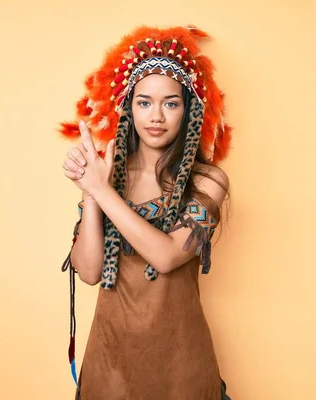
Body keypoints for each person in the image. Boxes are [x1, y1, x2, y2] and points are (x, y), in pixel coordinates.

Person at [59, 25, 233, 400]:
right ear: (128, 108)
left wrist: (103, 191)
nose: (156, 115)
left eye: (170, 103)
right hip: (110, 364)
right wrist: (92, 193)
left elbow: (168, 255)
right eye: (144, 102)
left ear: (188, 109)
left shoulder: (209, 181)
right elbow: (89, 271)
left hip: (181, 366)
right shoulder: (109, 179)